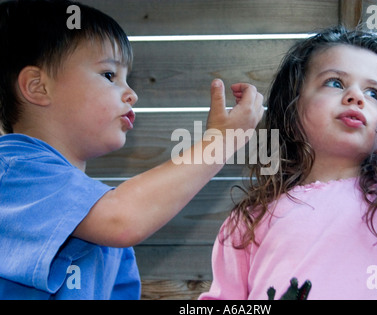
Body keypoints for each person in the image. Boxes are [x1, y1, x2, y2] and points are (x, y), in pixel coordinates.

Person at [0, 0, 263, 299]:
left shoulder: (104, 224)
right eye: (109, 75)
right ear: (38, 87)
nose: (132, 94)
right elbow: (123, 219)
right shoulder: (10, 173)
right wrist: (221, 142)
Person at [199, 26, 377, 300]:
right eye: (335, 83)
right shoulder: (249, 221)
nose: (357, 97)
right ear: (293, 105)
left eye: (374, 93)